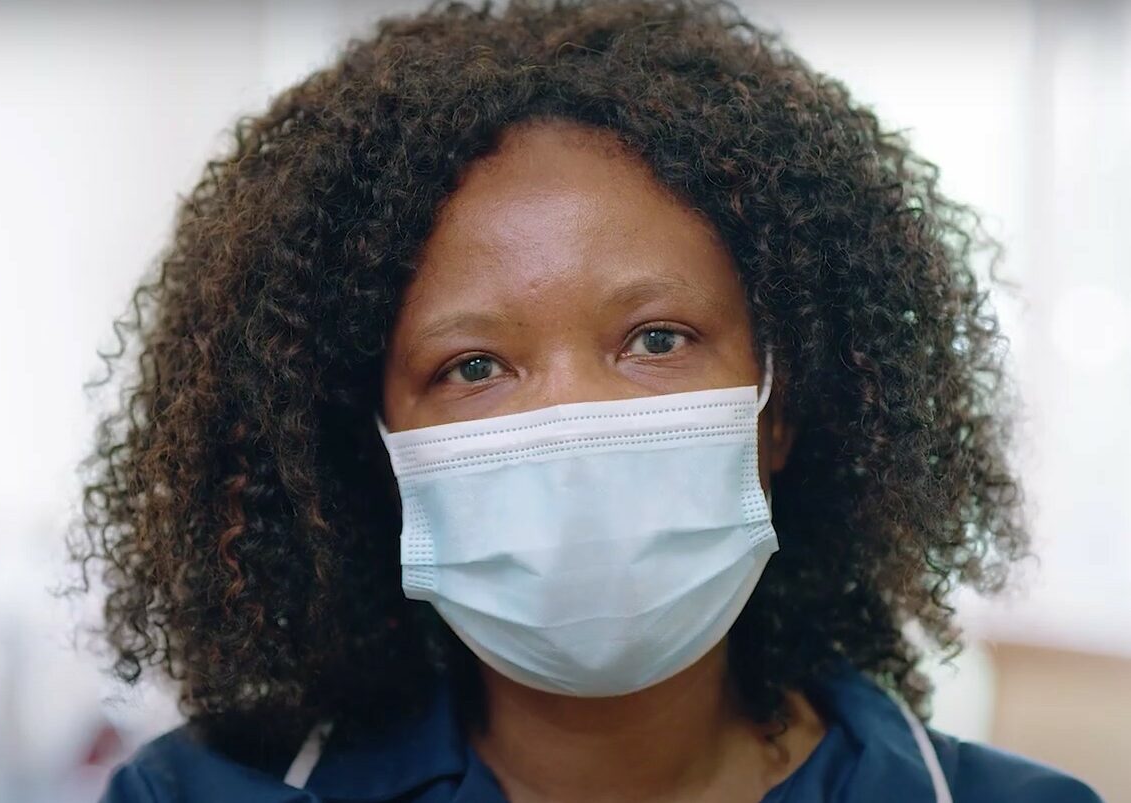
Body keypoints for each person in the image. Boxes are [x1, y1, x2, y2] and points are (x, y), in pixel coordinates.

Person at [73, 1, 1104, 800]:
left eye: (656, 339)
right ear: (371, 446)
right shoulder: (199, 791)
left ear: (779, 408)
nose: (569, 424)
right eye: (473, 365)